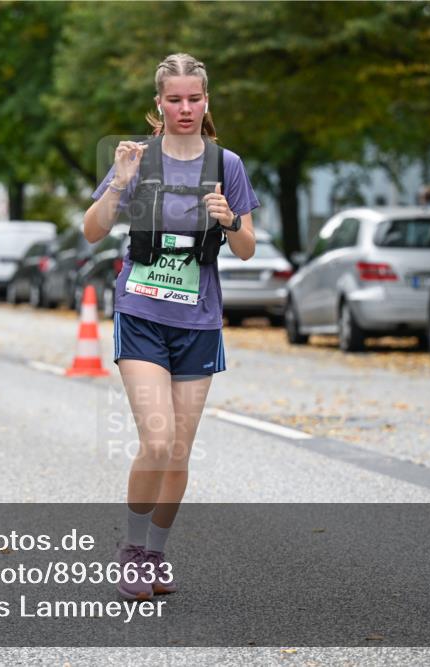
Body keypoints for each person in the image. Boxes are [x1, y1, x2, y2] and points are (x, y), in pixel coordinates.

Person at [83, 53, 259, 600]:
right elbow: (92, 231)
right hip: (142, 314)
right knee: (157, 441)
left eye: (194, 98)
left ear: (207, 101)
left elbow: (247, 248)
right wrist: (120, 185)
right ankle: (132, 550)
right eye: (175, 99)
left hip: (198, 321)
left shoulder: (227, 164)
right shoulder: (137, 158)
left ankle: (155, 554)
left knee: (180, 451)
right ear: (158, 104)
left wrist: (230, 220)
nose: (185, 108)